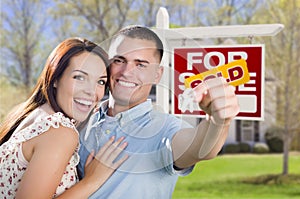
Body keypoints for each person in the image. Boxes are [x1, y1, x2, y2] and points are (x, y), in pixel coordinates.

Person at [78, 25, 240, 199]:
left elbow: (199, 148)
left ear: (157, 74)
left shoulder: (165, 128)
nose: (126, 72)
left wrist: (217, 122)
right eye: (119, 60)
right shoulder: (82, 120)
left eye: (140, 64)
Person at [0, 37, 128, 198]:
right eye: (79, 77)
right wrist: (92, 181)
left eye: (100, 82)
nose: (91, 91)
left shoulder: (30, 114)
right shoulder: (59, 132)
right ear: (55, 78)